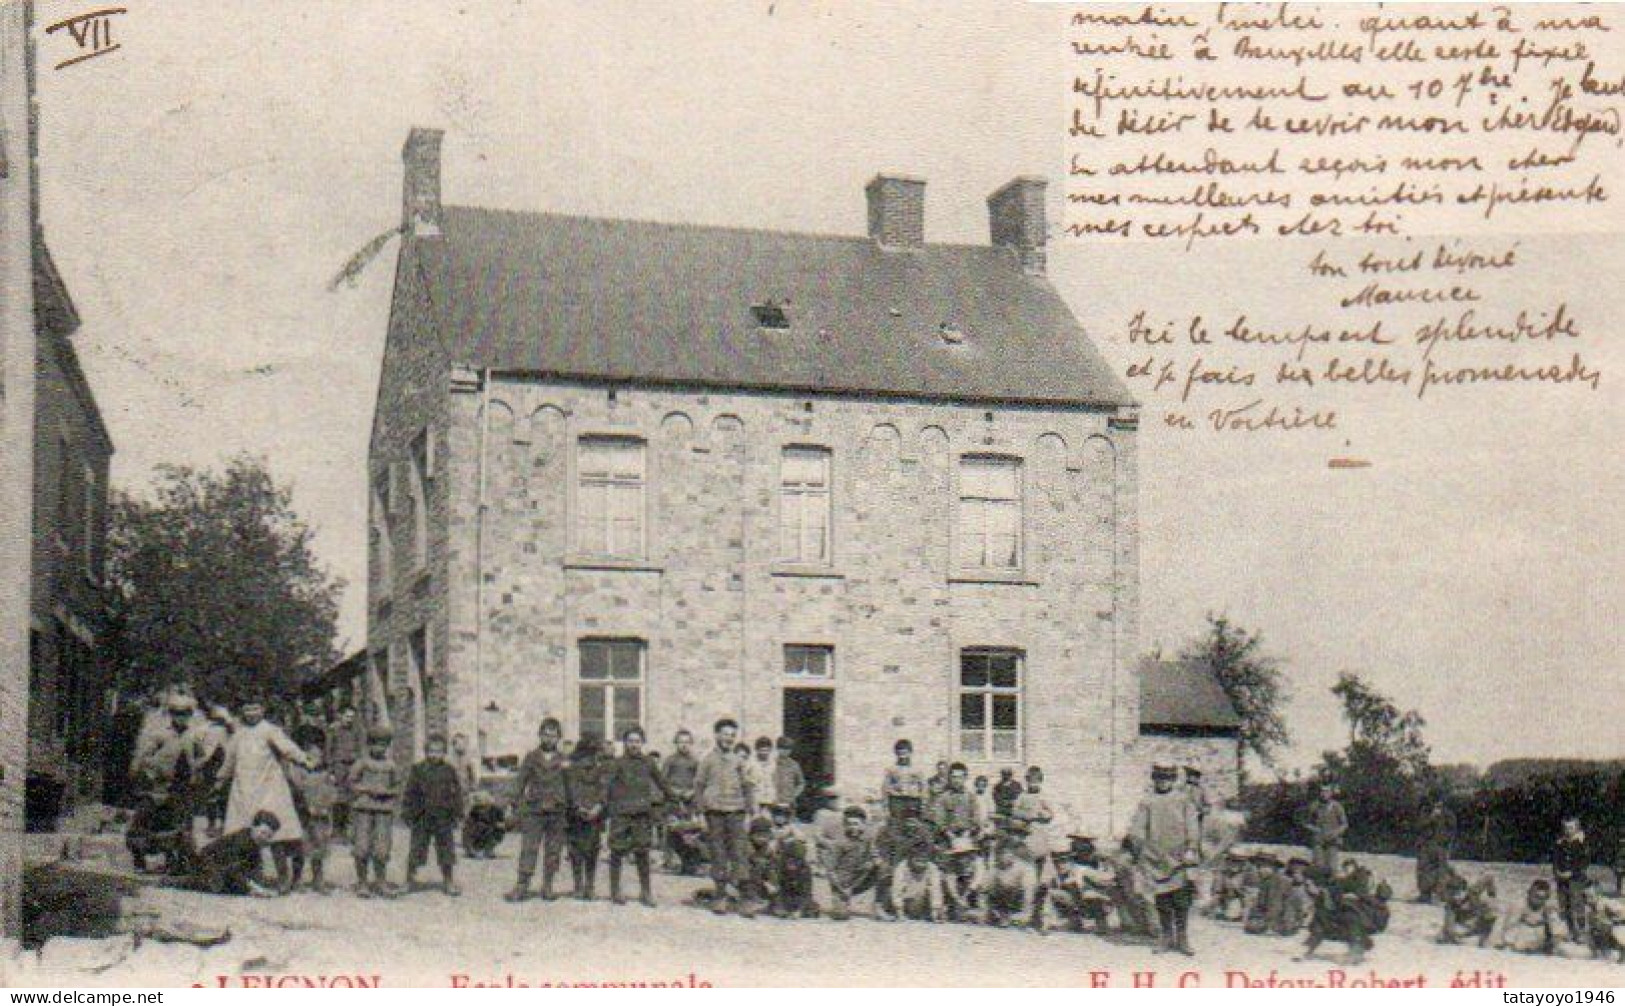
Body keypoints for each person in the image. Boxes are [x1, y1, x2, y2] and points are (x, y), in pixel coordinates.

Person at [219, 698, 312, 893]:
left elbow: (287, 747)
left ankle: (284, 878)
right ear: (242, 711)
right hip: (244, 789)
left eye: (256, 708)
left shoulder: (270, 730)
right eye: (247, 709)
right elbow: (230, 759)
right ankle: (250, 875)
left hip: (269, 788)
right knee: (244, 832)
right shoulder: (239, 734)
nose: (252, 713)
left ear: (263, 709)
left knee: (275, 833)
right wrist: (221, 778)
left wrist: (304, 759)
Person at [127, 693, 208, 874]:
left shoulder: (193, 736)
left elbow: (202, 758)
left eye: (185, 713)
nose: (180, 717)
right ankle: (139, 860)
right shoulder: (160, 734)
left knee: (179, 826)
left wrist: (195, 769)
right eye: (176, 713)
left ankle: (174, 862)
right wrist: (154, 771)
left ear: (190, 714)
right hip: (158, 788)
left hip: (181, 789)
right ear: (170, 714)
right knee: (143, 824)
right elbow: (144, 757)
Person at [1128, 763, 1201, 955]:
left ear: (1173, 780)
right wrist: (1138, 849)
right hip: (1156, 859)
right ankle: (1166, 937)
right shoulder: (1147, 802)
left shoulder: (1184, 800)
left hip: (1179, 858)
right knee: (1163, 901)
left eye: (1167, 778)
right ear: (1154, 779)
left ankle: (1183, 939)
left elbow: (1192, 825)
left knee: (1181, 900)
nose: (1163, 782)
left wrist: (1192, 847)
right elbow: (1137, 828)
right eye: (1159, 778)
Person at [601, 725, 670, 907]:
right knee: (617, 851)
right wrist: (605, 807)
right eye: (630, 741)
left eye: (637, 741)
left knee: (642, 852)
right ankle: (615, 891)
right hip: (621, 814)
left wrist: (674, 799)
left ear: (642, 743)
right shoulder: (617, 763)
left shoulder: (648, 762)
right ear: (625, 743)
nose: (634, 745)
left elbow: (662, 782)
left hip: (642, 814)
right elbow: (606, 787)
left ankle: (645, 892)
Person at [693, 718, 755, 916]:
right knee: (718, 854)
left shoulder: (739, 761)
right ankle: (720, 897)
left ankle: (745, 900)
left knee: (740, 854)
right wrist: (701, 814)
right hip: (714, 814)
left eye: (732, 735)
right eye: (725, 734)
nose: (729, 738)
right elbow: (699, 787)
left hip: (736, 812)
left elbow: (747, 787)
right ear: (717, 735)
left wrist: (749, 813)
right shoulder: (707, 760)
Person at [506, 717, 572, 902]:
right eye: (545, 734)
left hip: (557, 811)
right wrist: (514, 803)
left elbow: (570, 785)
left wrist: (570, 807)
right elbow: (520, 781)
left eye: (553, 735)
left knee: (553, 850)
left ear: (558, 737)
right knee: (529, 848)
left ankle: (548, 886)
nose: (549, 739)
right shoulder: (531, 757)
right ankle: (522, 885)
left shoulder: (564, 760)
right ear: (540, 735)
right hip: (535, 810)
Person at [403, 734, 465, 895]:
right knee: (416, 848)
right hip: (422, 816)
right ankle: (409, 880)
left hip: (443, 816)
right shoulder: (418, 769)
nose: (434, 755)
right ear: (426, 752)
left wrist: (458, 812)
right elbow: (410, 792)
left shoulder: (449, 770)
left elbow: (456, 792)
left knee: (446, 849)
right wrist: (407, 812)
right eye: (431, 751)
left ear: (444, 753)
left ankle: (448, 880)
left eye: (438, 751)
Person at [347, 725, 403, 897]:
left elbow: (398, 786)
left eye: (383, 745)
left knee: (382, 847)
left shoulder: (391, 765)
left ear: (388, 746)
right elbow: (351, 783)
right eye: (374, 744)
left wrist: (387, 793)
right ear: (368, 745)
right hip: (363, 809)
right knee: (361, 846)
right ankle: (362, 882)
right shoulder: (362, 763)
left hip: (383, 811)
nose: (378, 748)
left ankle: (381, 881)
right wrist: (366, 789)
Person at [876, 738, 927, 918]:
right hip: (896, 803)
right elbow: (885, 790)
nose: (902, 754)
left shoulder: (917, 770)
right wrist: (886, 808)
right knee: (896, 841)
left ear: (911, 752)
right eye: (899, 751)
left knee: (912, 838)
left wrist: (921, 807)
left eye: (905, 751)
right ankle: (885, 902)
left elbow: (923, 789)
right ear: (896, 753)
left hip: (912, 803)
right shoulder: (891, 770)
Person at [183, 810, 281, 897]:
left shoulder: (254, 842)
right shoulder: (242, 840)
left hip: (220, 868)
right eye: (263, 832)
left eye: (269, 836)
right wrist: (255, 888)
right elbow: (234, 869)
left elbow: (254, 868)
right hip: (206, 864)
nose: (264, 838)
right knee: (216, 885)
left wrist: (261, 885)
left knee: (233, 885)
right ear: (253, 827)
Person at [926, 762, 982, 915]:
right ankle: (950, 902)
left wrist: (968, 833)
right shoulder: (943, 797)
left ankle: (969, 900)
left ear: (965, 778)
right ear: (949, 778)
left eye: (960, 777)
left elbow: (976, 818)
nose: (956, 780)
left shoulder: (971, 797)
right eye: (953, 777)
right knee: (947, 870)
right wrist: (949, 835)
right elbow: (939, 819)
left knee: (971, 867)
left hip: (967, 837)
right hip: (947, 839)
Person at [285, 743, 339, 893]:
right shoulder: (298, 773)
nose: (315, 760)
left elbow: (332, 793)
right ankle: (296, 879)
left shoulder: (326, 775)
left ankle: (318, 879)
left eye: (319, 757)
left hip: (320, 816)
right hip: (303, 816)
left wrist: (326, 806)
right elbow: (296, 793)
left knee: (319, 847)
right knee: (300, 848)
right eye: (311, 756)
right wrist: (305, 807)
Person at [820, 805, 881, 921]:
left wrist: (874, 862)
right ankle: (843, 902)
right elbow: (831, 871)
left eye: (856, 824)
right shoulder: (839, 843)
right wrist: (841, 889)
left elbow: (875, 856)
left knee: (881, 867)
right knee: (841, 916)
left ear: (863, 825)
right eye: (849, 824)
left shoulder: (868, 840)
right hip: (841, 883)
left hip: (859, 878)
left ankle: (878, 904)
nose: (853, 827)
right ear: (845, 825)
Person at [565, 736, 608, 900]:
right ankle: (578, 885)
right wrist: (578, 808)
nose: (590, 759)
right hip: (576, 816)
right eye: (587, 754)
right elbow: (571, 790)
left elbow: (604, 790)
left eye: (594, 755)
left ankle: (590, 886)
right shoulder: (571, 770)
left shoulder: (600, 770)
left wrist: (598, 807)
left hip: (595, 816)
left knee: (592, 851)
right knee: (575, 851)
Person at [1046, 835, 1115, 933]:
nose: (1061, 865)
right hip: (1079, 901)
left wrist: (1097, 889)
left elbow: (1108, 880)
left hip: (1099, 901)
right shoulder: (1064, 871)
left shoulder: (1089, 868)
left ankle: (1100, 924)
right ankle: (1075, 922)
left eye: (1064, 861)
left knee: (1090, 895)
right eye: (1057, 862)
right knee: (1056, 893)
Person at [661, 729, 702, 873]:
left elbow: (699, 781)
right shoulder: (670, 760)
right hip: (673, 801)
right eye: (680, 742)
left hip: (689, 801)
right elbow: (663, 781)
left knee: (688, 831)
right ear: (676, 743)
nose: (684, 745)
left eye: (687, 742)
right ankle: (669, 861)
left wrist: (691, 792)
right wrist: (674, 792)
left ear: (691, 743)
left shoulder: (695, 761)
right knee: (671, 830)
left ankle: (688, 862)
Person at [979, 836, 1038, 929]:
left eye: (1007, 853)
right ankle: (1000, 916)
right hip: (1001, 904)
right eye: (1000, 853)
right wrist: (985, 909)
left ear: (1013, 854)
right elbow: (984, 890)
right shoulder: (995, 869)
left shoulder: (1025, 868)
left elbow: (1029, 893)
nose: (1003, 856)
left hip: (1019, 903)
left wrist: (1026, 913)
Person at [1010, 765, 1057, 879]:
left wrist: (1044, 814)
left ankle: (1038, 882)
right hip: (1026, 833)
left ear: (1041, 781)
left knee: (1040, 859)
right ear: (1027, 781)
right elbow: (1014, 812)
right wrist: (1028, 816)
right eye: (1031, 781)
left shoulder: (1043, 796)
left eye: (1036, 781)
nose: (1033, 784)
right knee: (1026, 861)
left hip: (1040, 833)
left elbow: (1051, 814)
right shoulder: (1022, 796)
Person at [324, 707, 363, 837]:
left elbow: (360, 749)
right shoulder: (334, 730)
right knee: (337, 799)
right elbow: (329, 751)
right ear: (341, 716)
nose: (349, 719)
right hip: (338, 766)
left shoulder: (357, 730)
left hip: (352, 767)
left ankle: (347, 830)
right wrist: (331, 772)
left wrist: (358, 767)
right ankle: (336, 830)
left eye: (352, 717)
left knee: (350, 799)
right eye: (347, 716)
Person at [1553, 816, 1591, 943]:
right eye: (1566, 828)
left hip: (1576, 879)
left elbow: (1584, 862)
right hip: (1562, 879)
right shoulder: (1560, 843)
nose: (1568, 831)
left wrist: (1573, 872)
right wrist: (1558, 871)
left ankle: (1581, 931)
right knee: (1564, 905)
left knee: (1577, 904)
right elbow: (1556, 859)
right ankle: (1569, 931)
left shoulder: (1581, 843)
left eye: (1571, 828)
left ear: (1577, 828)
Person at [891, 835, 947, 922]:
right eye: (917, 853)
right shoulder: (902, 867)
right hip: (905, 903)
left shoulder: (932, 868)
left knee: (934, 887)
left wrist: (935, 913)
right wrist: (900, 914)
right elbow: (897, 890)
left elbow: (936, 890)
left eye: (924, 854)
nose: (921, 856)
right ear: (911, 855)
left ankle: (932, 914)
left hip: (922, 905)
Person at [1499, 879, 1563, 955]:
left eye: (1542, 898)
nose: (1538, 900)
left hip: (1539, 946)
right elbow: (1510, 928)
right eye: (1536, 896)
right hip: (1518, 945)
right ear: (1529, 893)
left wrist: (1555, 941)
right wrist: (1509, 946)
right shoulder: (1520, 906)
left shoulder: (1548, 909)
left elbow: (1558, 932)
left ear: (1547, 898)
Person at [1437, 872, 1497, 947]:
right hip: (1464, 920)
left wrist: (1491, 895)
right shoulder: (1451, 906)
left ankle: (1482, 939)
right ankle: (1481, 937)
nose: (1457, 894)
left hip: (1472, 915)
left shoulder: (1471, 894)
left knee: (1489, 914)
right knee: (1451, 909)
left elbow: (1488, 878)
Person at [1415, 799, 1457, 904]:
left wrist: (1447, 843)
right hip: (1426, 845)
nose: (1436, 804)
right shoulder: (1426, 812)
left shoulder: (1448, 814)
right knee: (1423, 870)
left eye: (1438, 802)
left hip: (1440, 846)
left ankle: (1441, 894)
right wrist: (1431, 818)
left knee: (1441, 871)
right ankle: (1425, 894)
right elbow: (1419, 825)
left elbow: (1452, 829)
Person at [1303, 784, 1348, 879]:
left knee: (1332, 866)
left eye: (1327, 792)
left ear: (1331, 793)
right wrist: (1316, 830)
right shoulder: (1314, 805)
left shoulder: (1337, 806)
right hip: (1318, 840)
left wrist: (1336, 832)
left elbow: (1344, 824)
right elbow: (1306, 822)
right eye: (1322, 791)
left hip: (1333, 840)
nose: (1324, 794)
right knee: (1318, 864)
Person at [462, 788, 506, 859]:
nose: (481, 809)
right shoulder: (474, 810)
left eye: (483, 806)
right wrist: (468, 848)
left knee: (497, 831)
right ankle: (475, 849)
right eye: (480, 806)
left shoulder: (497, 810)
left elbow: (502, 825)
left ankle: (488, 849)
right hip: (477, 835)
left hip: (491, 832)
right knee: (476, 828)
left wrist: (493, 825)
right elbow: (467, 829)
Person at [772, 736, 806, 813]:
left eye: (788, 749)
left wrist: (794, 794)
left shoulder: (794, 765)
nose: (785, 751)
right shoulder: (772, 763)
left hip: (789, 802)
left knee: (789, 823)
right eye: (782, 748)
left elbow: (801, 783)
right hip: (774, 801)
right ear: (777, 748)